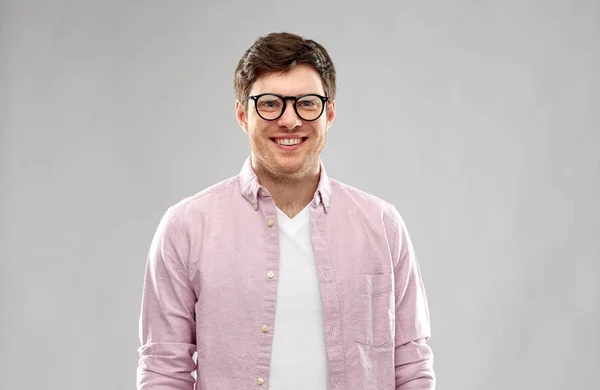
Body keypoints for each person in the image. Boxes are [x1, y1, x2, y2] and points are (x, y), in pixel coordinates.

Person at [137, 31, 435, 390]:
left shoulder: (382, 226)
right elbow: (164, 371)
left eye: (307, 103)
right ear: (243, 115)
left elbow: (411, 365)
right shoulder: (186, 228)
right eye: (270, 103)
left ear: (330, 113)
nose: (290, 120)